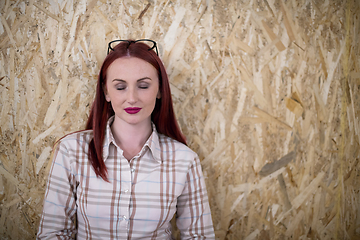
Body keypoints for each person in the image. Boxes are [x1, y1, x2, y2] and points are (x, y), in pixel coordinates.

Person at [37, 39, 215, 239]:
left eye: (143, 86)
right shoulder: (71, 151)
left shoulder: (184, 160)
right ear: (106, 92)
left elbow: (199, 236)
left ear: (160, 90)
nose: (132, 98)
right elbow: (53, 233)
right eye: (120, 87)